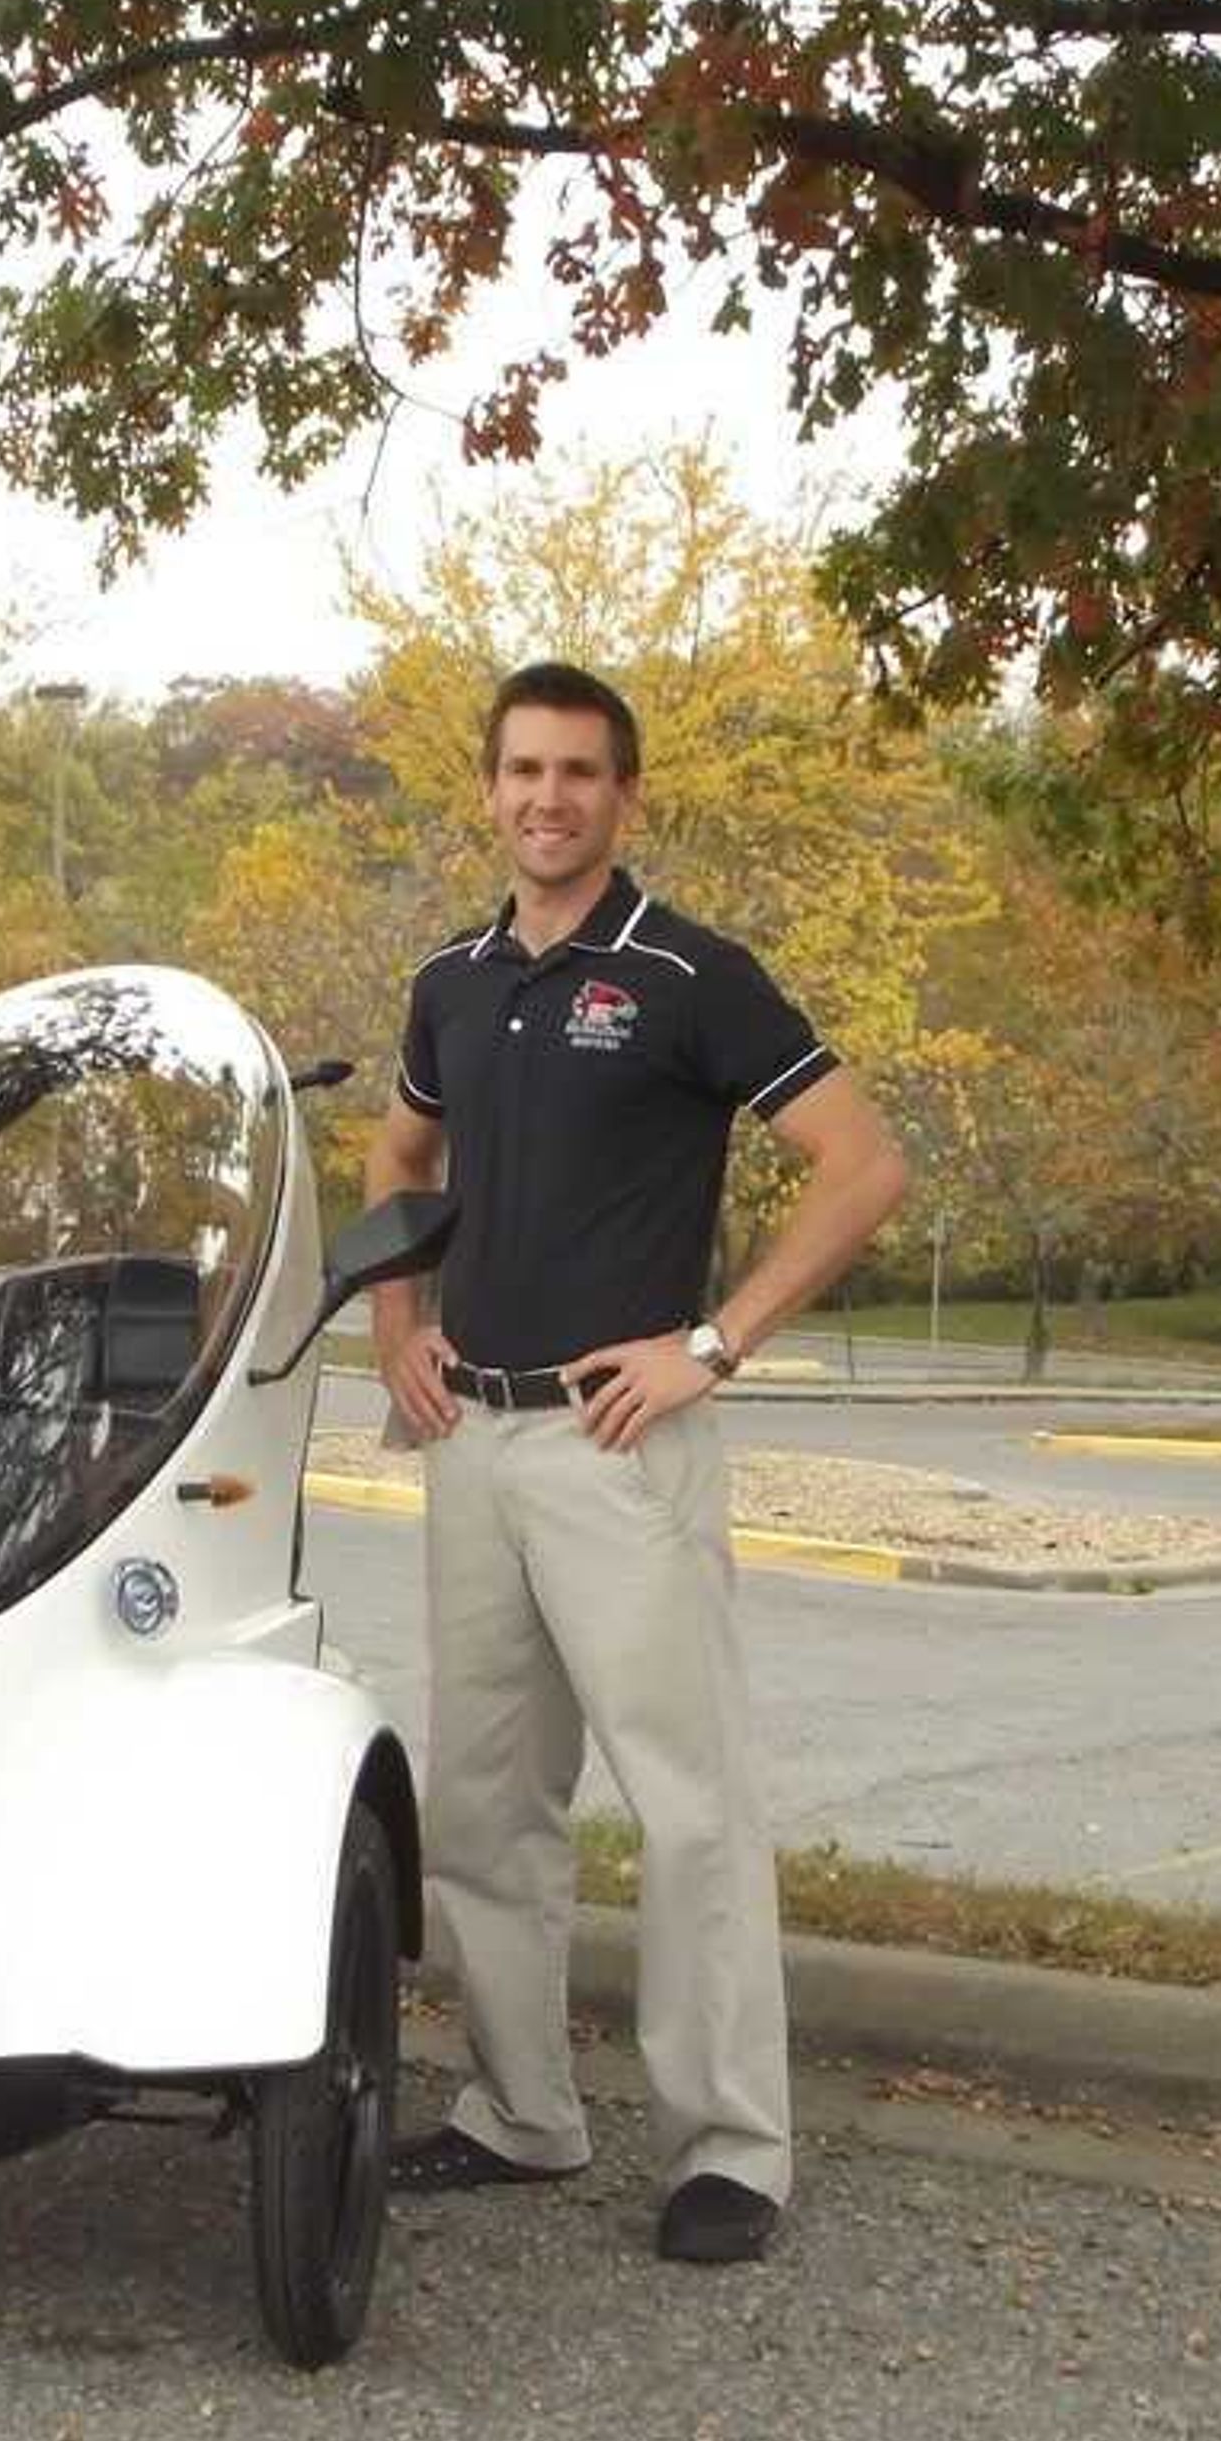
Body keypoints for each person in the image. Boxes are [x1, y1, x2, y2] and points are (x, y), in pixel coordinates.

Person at [365, 660, 907, 2265]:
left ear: (625, 796)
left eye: (582, 773)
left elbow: (863, 1167)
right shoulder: (451, 983)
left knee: (688, 1810)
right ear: (489, 789)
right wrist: (398, 1326)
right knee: (482, 1812)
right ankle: (520, 2113)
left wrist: (713, 1347)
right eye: (524, 769)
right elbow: (402, 1157)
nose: (551, 797)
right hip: (474, 1441)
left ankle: (731, 2148)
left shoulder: (688, 973)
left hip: (623, 1449)